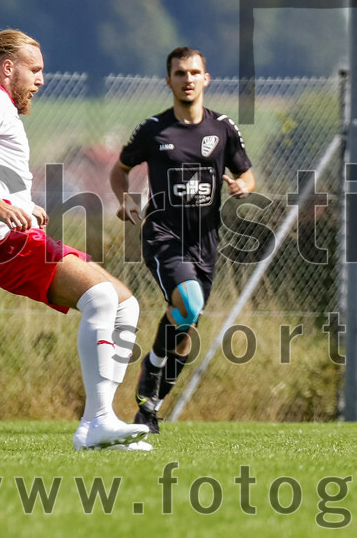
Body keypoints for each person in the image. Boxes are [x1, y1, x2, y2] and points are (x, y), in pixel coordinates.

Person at [0, 29, 151, 451]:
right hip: (0, 240)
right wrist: (3, 208)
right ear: (8, 68)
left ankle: (101, 423)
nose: (41, 81)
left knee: (124, 302)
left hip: (6, 237)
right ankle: (96, 423)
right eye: (34, 71)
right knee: (100, 299)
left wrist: (13, 202)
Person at [111, 46, 254, 433]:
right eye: (179, 73)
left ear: (206, 79)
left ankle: (151, 405)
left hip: (205, 243)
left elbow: (247, 172)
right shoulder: (154, 130)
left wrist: (242, 185)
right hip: (163, 235)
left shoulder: (222, 128)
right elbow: (119, 169)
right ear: (169, 80)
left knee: (187, 328)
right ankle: (152, 367)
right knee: (188, 303)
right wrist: (125, 201)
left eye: (194, 72)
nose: (187, 79)